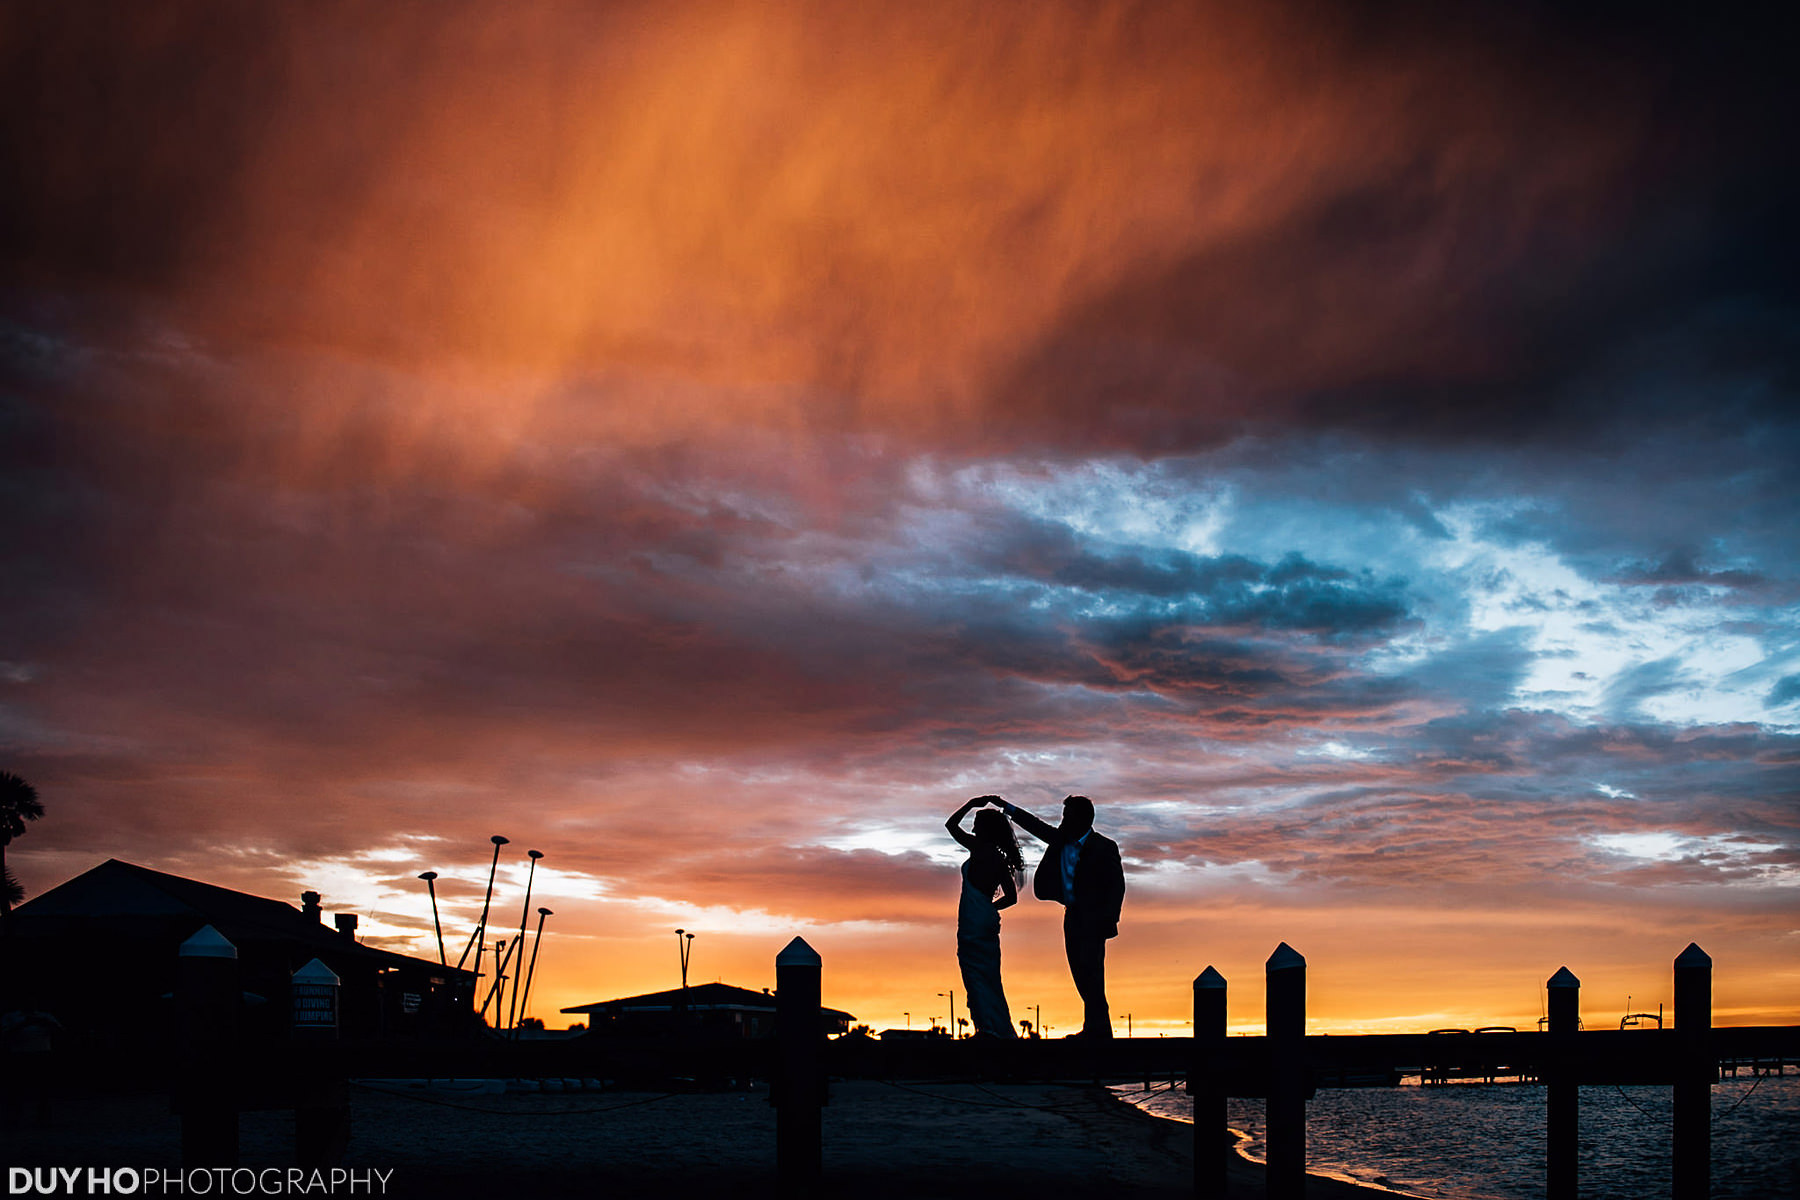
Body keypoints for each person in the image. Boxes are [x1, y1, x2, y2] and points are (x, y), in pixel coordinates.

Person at [977, 794, 1124, 1039]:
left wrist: (1109, 921)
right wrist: (1007, 807)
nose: (1063, 820)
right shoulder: (1062, 839)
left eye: (1067, 816)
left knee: (1092, 973)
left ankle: (1099, 1030)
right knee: (1080, 973)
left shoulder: (1104, 846)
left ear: (1083, 818)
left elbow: (1116, 887)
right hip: (1073, 916)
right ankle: (1095, 1028)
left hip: (1094, 920)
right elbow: (1035, 825)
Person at [945, 797, 1024, 1038]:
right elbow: (1011, 898)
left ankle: (988, 1029)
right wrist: (990, 909)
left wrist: (970, 804)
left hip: (973, 919)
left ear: (985, 829)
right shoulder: (999, 858)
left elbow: (951, 825)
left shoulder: (979, 848)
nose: (973, 828)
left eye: (976, 823)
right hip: (985, 918)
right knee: (989, 974)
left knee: (974, 972)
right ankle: (994, 1026)